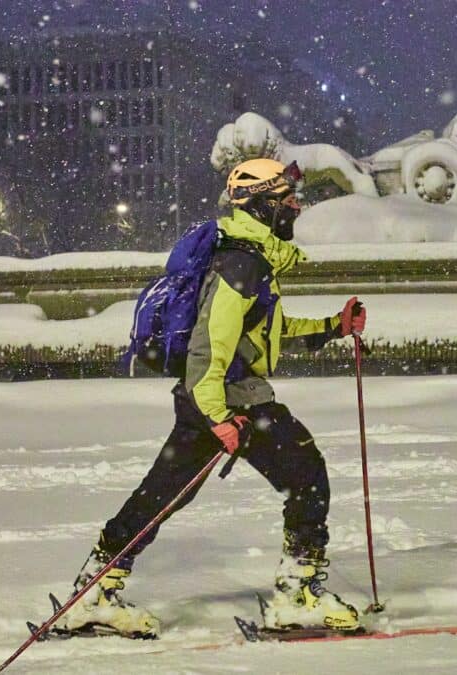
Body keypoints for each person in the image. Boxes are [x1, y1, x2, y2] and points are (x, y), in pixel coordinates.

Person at [54, 158, 367, 638]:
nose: (296, 207)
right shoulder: (241, 263)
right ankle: (297, 595)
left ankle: (93, 593)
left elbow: (266, 334)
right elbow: (208, 348)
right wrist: (218, 416)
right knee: (307, 476)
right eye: (287, 199)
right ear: (263, 205)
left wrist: (333, 327)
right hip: (233, 403)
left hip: (215, 401)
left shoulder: (249, 258)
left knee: (159, 496)